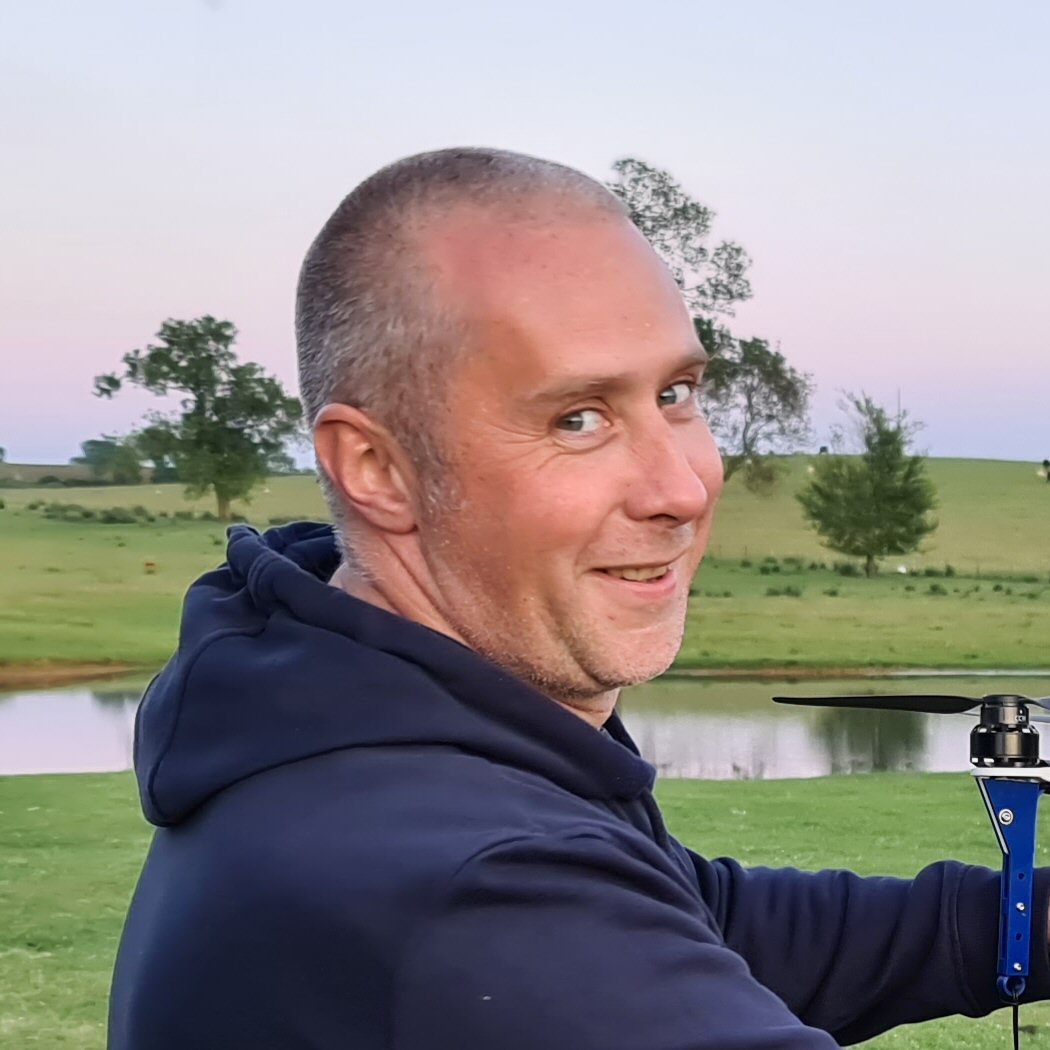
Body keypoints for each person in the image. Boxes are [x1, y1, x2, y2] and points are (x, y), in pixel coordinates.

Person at [108, 147, 1050, 1049]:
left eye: (677, 394)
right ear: (377, 469)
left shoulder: (379, 739)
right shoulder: (473, 888)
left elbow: (707, 920)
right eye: (579, 418)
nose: (681, 487)